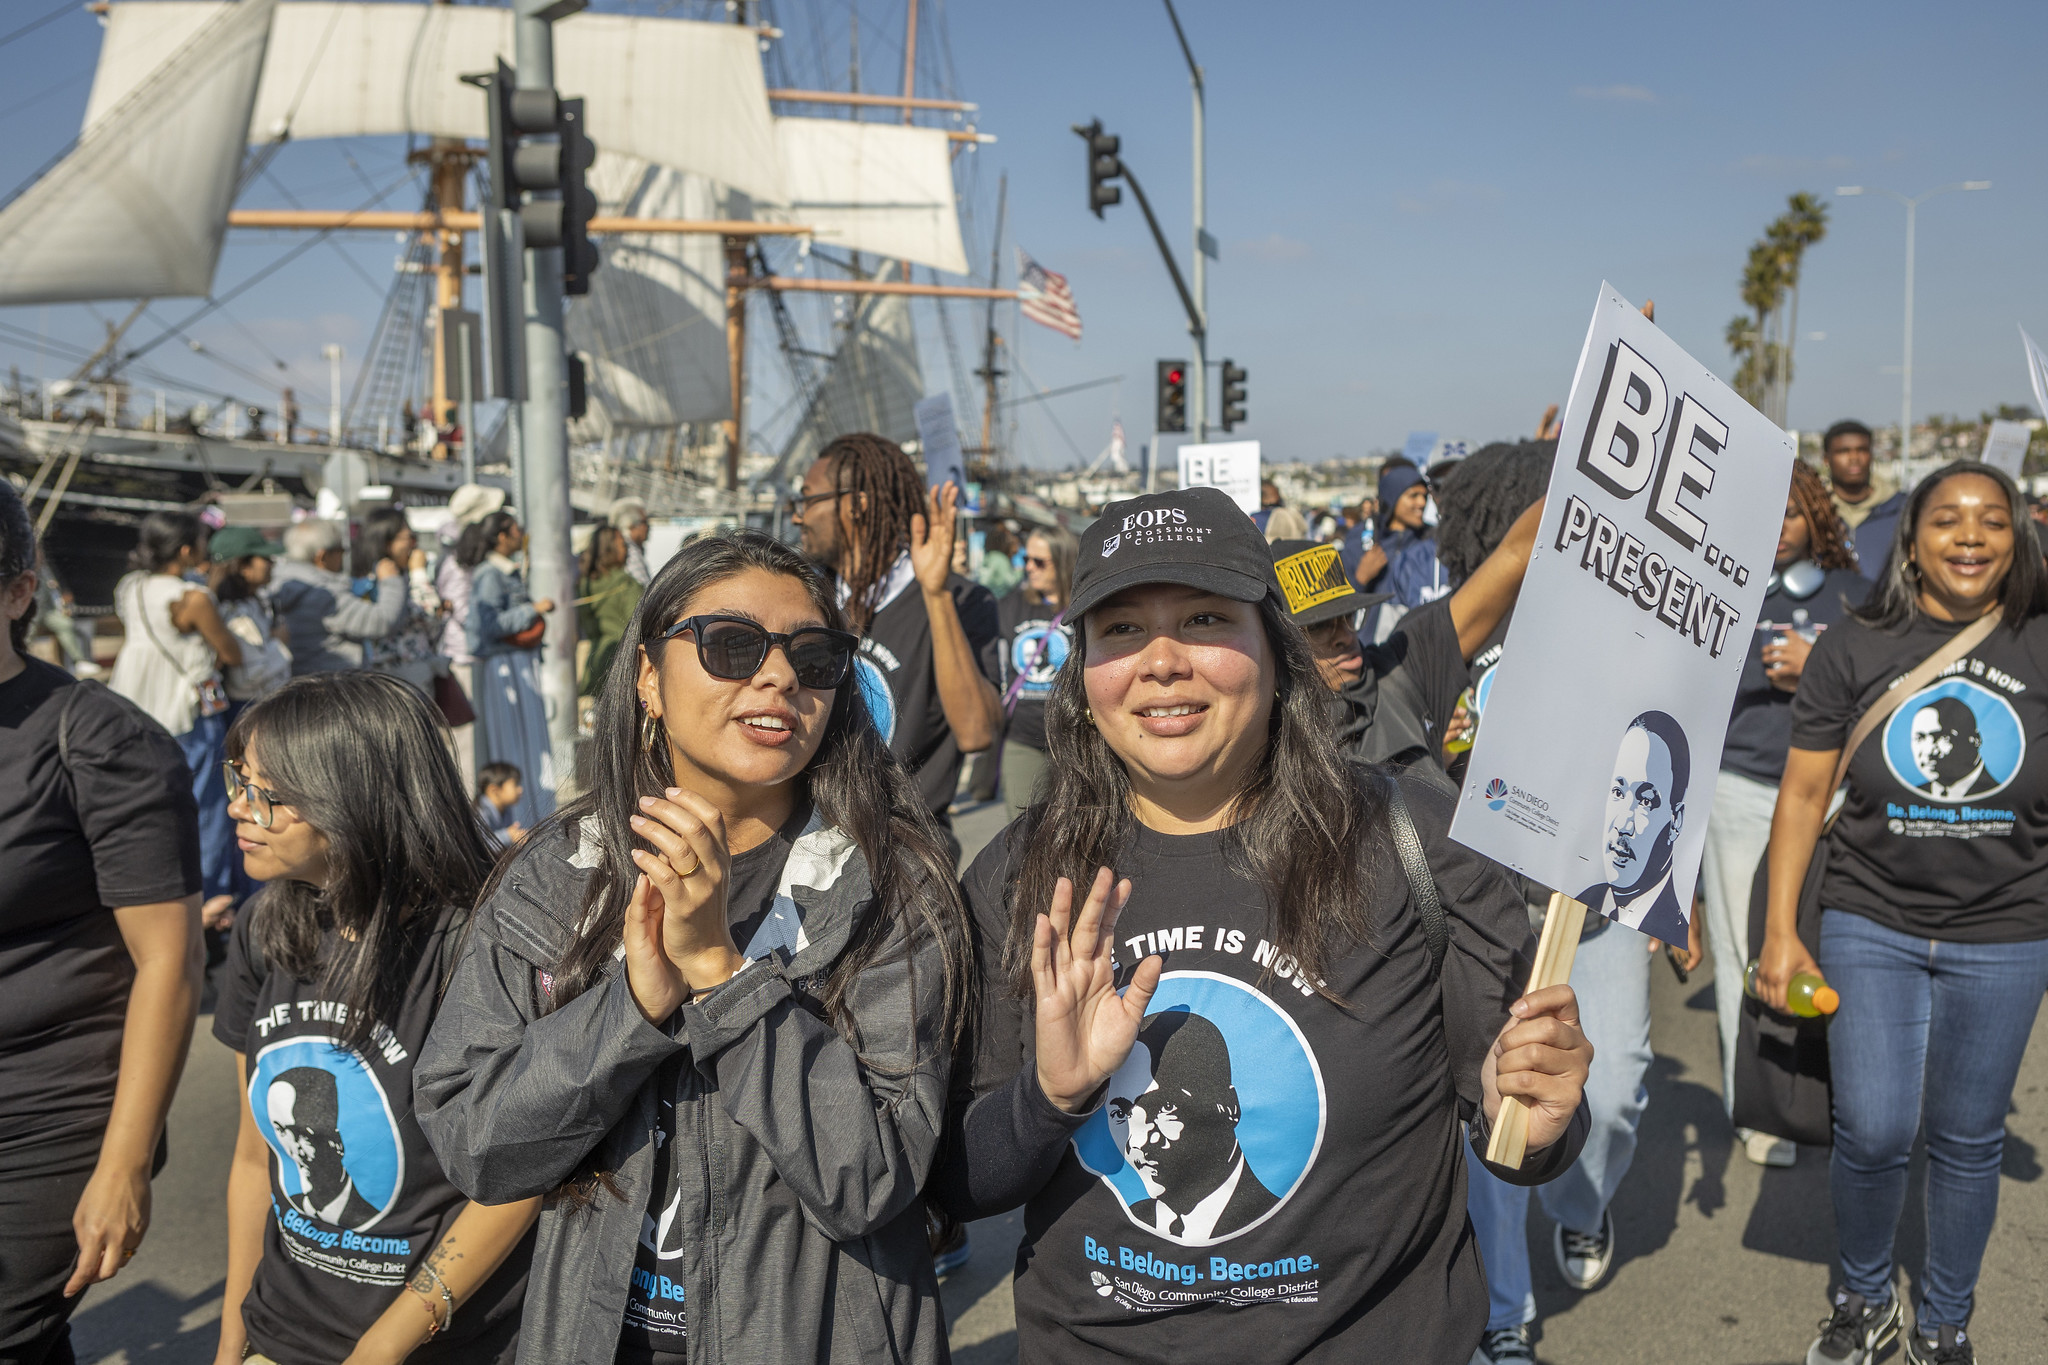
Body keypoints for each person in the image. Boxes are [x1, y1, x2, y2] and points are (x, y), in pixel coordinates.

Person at [933, 486, 1592, 1363]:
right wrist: (1047, 1100)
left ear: (1275, 649)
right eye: (1120, 630)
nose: (1161, 661)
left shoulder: (1416, 845)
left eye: (1205, 618)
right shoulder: (1021, 874)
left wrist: (1544, 1121)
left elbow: (1518, 1132)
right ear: (1083, 669)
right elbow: (955, 1182)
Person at [415, 530, 970, 1365]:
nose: (778, 675)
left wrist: (721, 974)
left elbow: (871, 1178)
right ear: (648, 677)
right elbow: (475, 1142)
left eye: (814, 657)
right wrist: (631, 1007)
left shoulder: (894, 886)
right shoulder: (563, 872)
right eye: (732, 645)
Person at [1760, 461, 2048, 1365]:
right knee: (1875, 1128)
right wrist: (1781, 931)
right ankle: (1863, 1298)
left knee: (1968, 1141)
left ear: (2017, 538)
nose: (1971, 536)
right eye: (1949, 520)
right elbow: (1803, 797)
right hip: (1869, 919)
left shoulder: (2042, 642)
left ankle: (1945, 1321)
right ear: (1912, 542)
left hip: (2006, 931)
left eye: (1992, 521)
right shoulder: (1855, 646)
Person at [212, 673, 539, 1365]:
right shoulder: (262, 928)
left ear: (354, 798)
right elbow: (252, 1160)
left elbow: (520, 1175)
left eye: (268, 793)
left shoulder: (477, 944)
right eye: (238, 779)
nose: (240, 808)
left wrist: (382, 1346)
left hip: (443, 1343)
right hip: (284, 1332)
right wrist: (234, 1338)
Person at [0, 480, 203, 1365]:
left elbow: (170, 962)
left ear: (18, 588)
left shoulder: (97, 739)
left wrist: (122, 1165)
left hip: (51, 1107)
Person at [1695, 463, 1868, 1167]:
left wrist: (1818, 666)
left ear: (1818, 521)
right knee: (1744, 948)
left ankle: (1839, 1089)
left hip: (1830, 798)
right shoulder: (1717, 593)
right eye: (1766, 516)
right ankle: (1760, 1102)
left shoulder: (1856, 595)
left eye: (1792, 516)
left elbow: (1882, 691)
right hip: (1738, 787)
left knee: (1832, 945)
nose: (1778, 531)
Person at [789, 433, 1001, 854]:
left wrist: (936, 594)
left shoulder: (960, 599)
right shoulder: (804, 597)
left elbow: (978, 733)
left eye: (808, 499)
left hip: (904, 854)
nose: (798, 516)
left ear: (857, 504)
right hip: (805, 846)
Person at [110, 511, 245, 912]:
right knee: (206, 808)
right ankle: (211, 899)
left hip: (138, 703)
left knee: (154, 806)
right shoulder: (193, 598)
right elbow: (230, 652)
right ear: (187, 550)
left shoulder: (130, 587)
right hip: (187, 709)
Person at [464, 510, 556, 830]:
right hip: (506, 665)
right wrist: (533, 609)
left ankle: (536, 817)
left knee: (529, 744)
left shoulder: (504, 571)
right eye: (515, 529)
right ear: (502, 536)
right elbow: (490, 625)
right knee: (516, 743)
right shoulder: (490, 574)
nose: (521, 533)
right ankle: (521, 822)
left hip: (519, 663)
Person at [991, 525, 1078, 822]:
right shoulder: (1009, 606)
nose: (1028, 567)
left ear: (1064, 561)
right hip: (1022, 737)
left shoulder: (1083, 608)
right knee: (1022, 829)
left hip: (1073, 737)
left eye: (1039, 561)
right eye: (1026, 559)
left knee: (1074, 825)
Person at [271, 518, 407, 675]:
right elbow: (382, 621)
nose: (343, 556)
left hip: (304, 681)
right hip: (332, 685)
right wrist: (391, 580)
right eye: (340, 550)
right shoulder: (322, 595)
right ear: (322, 556)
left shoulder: (283, 583)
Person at [437, 484, 509, 784]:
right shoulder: (457, 561)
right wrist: (498, 623)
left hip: (472, 655)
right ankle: (468, 814)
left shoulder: (461, 556)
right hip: (462, 657)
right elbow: (463, 610)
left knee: (478, 741)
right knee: (466, 744)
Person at [358, 506, 448, 696]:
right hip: (397, 677)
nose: (414, 546)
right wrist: (419, 573)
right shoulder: (377, 580)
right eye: (409, 538)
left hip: (410, 673)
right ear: (386, 542)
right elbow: (430, 613)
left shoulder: (395, 576)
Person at [1361, 459, 1447, 642]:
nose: (1421, 503)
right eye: (1413, 495)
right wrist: (1359, 579)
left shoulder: (1434, 539)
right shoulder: (1360, 539)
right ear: (1393, 496)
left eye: (1424, 496)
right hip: (1369, 647)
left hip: (1420, 643)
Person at [1821, 420, 1906, 572]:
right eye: (1843, 451)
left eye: (1862, 450)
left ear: (1871, 455)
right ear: (1826, 459)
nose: (1854, 458)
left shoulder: (1902, 509)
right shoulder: (1815, 511)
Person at [579, 524, 644, 697]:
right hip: (622, 662)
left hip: (593, 662)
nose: (627, 550)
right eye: (623, 544)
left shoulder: (584, 585)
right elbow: (638, 626)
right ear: (611, 549)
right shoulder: (626, 584)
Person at [474, 761, 527, 848]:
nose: (520, 789)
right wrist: (508, 836)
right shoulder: (480, 812)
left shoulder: (506, 809)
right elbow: (480, 846)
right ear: (494, 790)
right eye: (515, 785)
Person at [610, 497, 652, 586]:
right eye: (644, 522)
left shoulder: (624, 548)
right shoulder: (630, 552)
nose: (648, 527)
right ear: (630, 524)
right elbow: (644, 590)